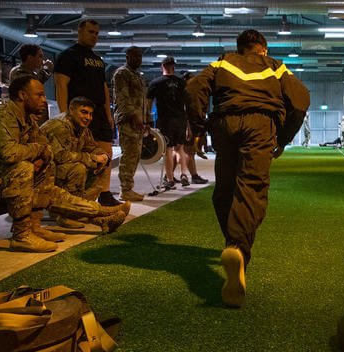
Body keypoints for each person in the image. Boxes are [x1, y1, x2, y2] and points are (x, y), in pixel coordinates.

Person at [186, 29, 310, 308]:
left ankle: (233, 244)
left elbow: (194, 88)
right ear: (262, 49)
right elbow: (301, 101)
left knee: (225, 191)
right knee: (251, 189)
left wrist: (198, 129)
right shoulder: (275, 66)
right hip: (260, 126)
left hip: (225, 124)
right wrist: (283, 138)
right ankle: (237, 248)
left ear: (240, 48)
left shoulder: (222, 63)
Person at [0, 76, 130, 253]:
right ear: (22, 95)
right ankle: (22, 235)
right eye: (39, 95)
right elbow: (10, 153)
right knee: (26, 168)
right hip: (7, 178)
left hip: (14, 178)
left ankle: (99, 215)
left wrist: (100, 157)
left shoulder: (27, 119)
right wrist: (37, 152)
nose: (44, 100)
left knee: (47, 175)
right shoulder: (4, 115)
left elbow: (46, 149)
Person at [54, 19, 121, 206]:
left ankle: (105, 193)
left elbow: (104, 88)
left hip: (99, 114)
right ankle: (76, 197)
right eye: (91, 32)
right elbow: (61, 85)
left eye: (97, 33)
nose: (95, 36)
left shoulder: (98, 60)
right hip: (79, 114)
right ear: (80, 31)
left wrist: (108, 114)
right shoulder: (68, 56)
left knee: (106, 153)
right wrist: (64, 115)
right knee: (81, 156)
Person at [41, 96, 110, 227]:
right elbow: (60, 157)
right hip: (43, 173)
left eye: (90, 114)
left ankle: (80, 211)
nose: (88, 117)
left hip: (59, 169)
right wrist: (93, 158)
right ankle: (65, 214)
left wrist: (103, 156)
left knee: (101, 166)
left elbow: (91, 146)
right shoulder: (60, 126)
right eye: (84, 112)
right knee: (78, 168)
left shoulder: (80, 127)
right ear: (71, 110)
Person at [147, 56, 190, 189]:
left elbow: (148, 103)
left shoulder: (155, 83)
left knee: (168, 150)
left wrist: (147, 117)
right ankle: (184, 173)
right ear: (174, 67)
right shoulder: (182, 82)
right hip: (180, 118)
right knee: (181, 148)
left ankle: (170, 179)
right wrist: (188, 124)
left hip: (165, 120)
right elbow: (186, 104)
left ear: (162, 67)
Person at [113, 46, 150, 201]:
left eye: (140, 56)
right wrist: (135, 116)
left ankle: (128, 187)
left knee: (135, 154)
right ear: (127, 56)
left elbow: (142, 101)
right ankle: (125, 189)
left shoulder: (137, 76)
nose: (138, 59)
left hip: (138, 121)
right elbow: (123, 98)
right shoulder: (122, 73)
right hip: (127, 120)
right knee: (129, 154)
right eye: (135, 56)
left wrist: (145, 119)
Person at [9, 44, 53, 124]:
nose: (42, 60)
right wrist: (46, 69)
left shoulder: (31, 72)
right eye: (40, 56)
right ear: (30, 58)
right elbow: (33, 83)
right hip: (29, 120)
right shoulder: (18, 72)